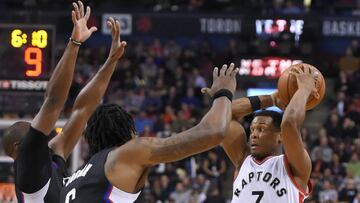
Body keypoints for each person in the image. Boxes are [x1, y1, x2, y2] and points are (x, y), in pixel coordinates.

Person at [59, 63, 239, 202]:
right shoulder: (126, 154)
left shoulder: (73, 180)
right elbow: (214, 132)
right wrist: (223, 92)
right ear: (129, 131)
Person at [1, 1, 107, 202]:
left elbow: (83, 110)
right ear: (18, 148)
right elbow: (54, 101)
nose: (40, 133)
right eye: (31, 133)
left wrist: (111, 61)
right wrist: (74, 44)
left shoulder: (52, 160)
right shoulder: (28, 172)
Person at [220, 64, 316, 202]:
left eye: (262, 129)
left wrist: (304, 89)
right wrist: (271, 99)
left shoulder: (294, 165)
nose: (253, 134)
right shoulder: (243, 160)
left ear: (280, 136)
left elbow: (289, 123)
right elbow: (224, 114)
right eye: (252, 129)